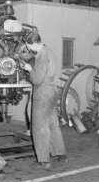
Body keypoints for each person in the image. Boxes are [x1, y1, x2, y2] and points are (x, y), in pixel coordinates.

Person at [21, 31, 68, 168]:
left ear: (35, 43)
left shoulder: (41, 56)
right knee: (53, 124)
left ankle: (43, 160)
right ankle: (61, 154)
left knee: (40, 127)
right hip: (52, 90)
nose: (29, 49)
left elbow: (37, 79)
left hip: (42, 92)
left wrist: (29, 69)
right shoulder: (50, 51)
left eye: (29, 46)